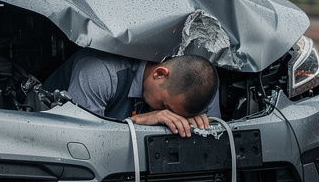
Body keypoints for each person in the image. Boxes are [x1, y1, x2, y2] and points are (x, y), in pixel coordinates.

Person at [43, 48, 219, 137]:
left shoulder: (201, 83)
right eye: (165, 106)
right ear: (159, 74)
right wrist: (136, 122)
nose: (168, 116)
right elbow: (79, 140)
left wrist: (196, 125)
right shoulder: (100, 72)